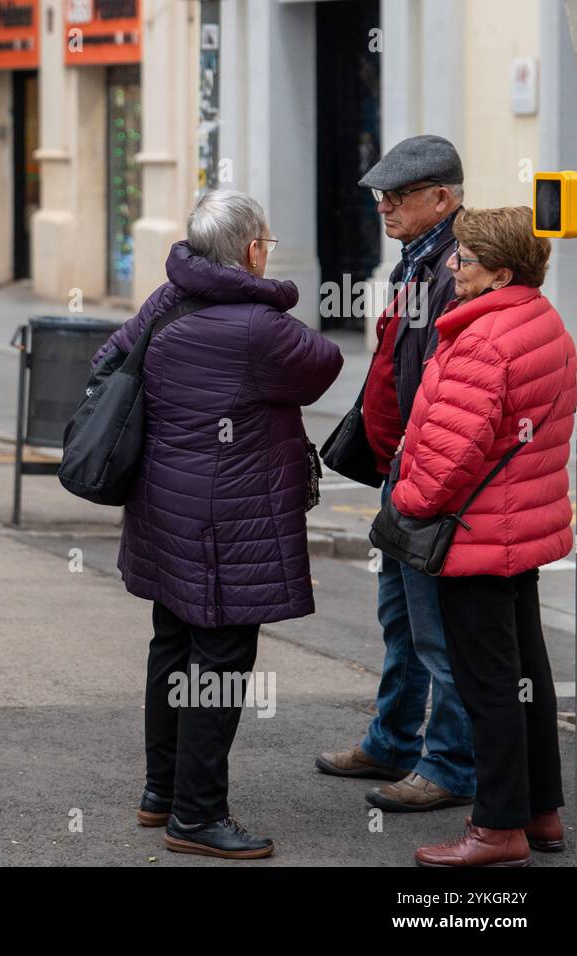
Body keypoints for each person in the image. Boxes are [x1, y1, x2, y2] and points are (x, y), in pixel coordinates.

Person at [95, 190, 343, 859]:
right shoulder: (260, 329)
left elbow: (108, 361)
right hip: (230, 517)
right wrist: (270, 295)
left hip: (164, 507)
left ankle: (161, 793)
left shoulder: (166, 299)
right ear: (251, 250)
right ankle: (197, 816)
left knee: (172, 642)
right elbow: (325, 365)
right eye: (267, 244)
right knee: (223, 659)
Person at [388, 207, 575, 866]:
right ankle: (539, 811)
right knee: (526, 672)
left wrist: (406, 505)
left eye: (463, 258)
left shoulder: (484, 339)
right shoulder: (542, 322)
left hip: (476, 535)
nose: (450, 265)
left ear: (500, 269)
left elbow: (448, 453)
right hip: (519, 527)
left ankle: (497, 830)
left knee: (488, 683)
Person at [317, 135, 477, 813]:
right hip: (403, 472)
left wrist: (420, 466)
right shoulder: (419, 260)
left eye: (399, 196)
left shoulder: (456, 268)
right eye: (381, 196)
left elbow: (456, 389)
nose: (384, 207)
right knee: (400, 620)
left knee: (437, 632)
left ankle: (448, 764)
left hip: (429, 478)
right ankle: (392, 739)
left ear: (440, 198)